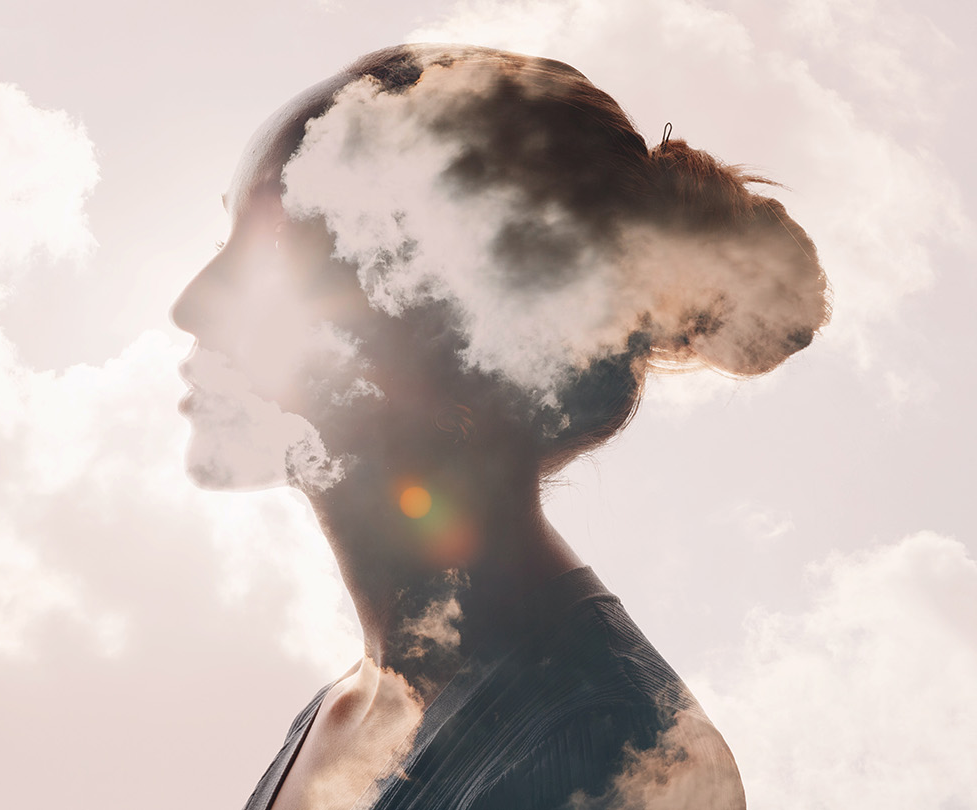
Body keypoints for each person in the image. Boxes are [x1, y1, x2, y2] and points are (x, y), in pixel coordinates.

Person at [171, 44, 829, 810]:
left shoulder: (605, 751)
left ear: (457, 324)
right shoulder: (339, 713)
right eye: (226, 241)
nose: (191, 304)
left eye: (281, 250)